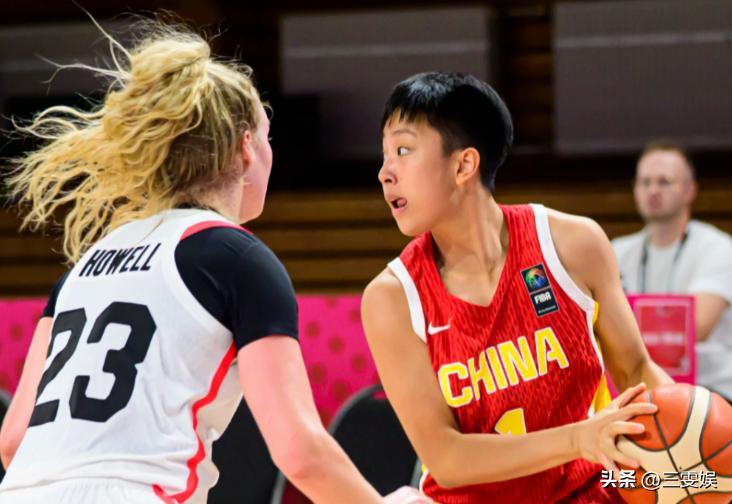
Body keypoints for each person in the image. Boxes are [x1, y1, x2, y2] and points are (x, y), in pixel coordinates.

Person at [0, 19, 427, 504]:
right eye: (267, 138)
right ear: (246, 148)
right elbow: (300, 452)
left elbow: (14, 442)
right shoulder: (236, 258)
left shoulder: (81, 269)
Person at [361, 72, 674, 503]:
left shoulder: (572, 245)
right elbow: (446, 458)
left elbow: (636, 370)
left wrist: (693, 432)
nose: (384, 173)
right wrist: (579, 439)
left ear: (463, 165)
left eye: (402, 150)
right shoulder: (392, 297)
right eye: (384, 155)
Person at [612, 140, 732, 402]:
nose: (653, 190)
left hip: (711, 391)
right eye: (645, 182)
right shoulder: (616, 251)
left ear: (689, 190)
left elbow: (694, 328)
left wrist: (621, 330)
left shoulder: (719, 247)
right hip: (642, 391)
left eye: (664, 181)